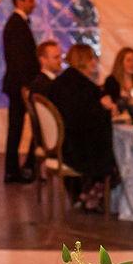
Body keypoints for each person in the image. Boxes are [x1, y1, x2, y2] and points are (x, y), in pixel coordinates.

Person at [35, 43, 116, 210]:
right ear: (83, 60)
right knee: (115, 153)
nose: (95, 62)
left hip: (59, 143)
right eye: (91, 58)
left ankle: (86, 192)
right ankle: (95, 192)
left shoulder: (61, 83)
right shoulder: (83, 87)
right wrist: (105, 108)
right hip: (73, 148)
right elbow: (87, 118)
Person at [1, 0, 40, 183]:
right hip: (20, 86)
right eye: (30, 0)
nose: (34, 4)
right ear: (19, 1)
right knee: (21, 127)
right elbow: (18, 59)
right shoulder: (16, 25)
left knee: (21, 127)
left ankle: (23, 168)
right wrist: (26, 85)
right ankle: (18, 169)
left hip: (20, 84)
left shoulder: (18, 23)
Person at [102, 46, 133, 118]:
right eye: (129, 60)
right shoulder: (111, 81)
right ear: (120, 63)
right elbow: (107, 101)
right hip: (117, 120)